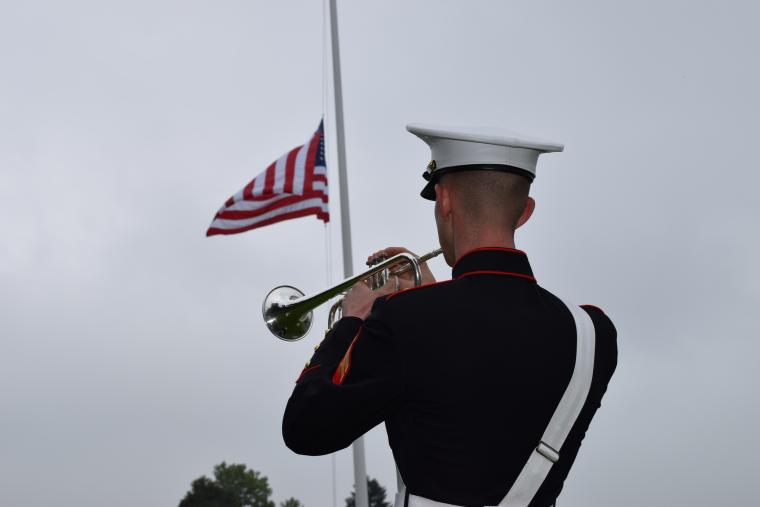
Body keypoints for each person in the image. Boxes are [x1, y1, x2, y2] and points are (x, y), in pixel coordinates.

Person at [282, 124, 618, 507]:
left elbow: (305, 429)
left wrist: (353, 320)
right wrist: (428, 297)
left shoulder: (403, 319)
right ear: (525, 212)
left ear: (443, 200)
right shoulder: (594, 333)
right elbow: (485, 361)